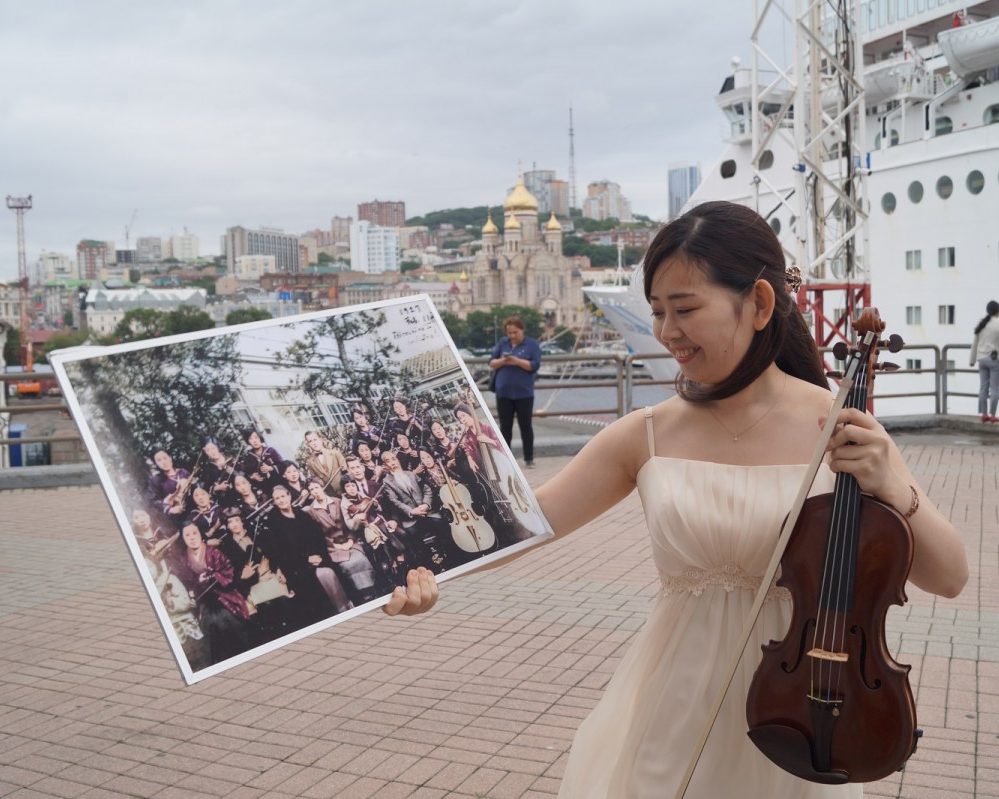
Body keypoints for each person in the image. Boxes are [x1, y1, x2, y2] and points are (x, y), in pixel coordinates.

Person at [384, 201, 969, 798]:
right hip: (674, 705)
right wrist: (418, 571)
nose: (667, 333)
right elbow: (523, 522)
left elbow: (948, 577)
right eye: (658, 311)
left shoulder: (840, 425)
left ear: (761, 303)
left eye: (685, 309)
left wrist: (894, 487)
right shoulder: (648, 432)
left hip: (807, 708)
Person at [489, 315, 542, 467]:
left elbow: (534, 365)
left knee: (525, 426)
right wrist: (504, 360)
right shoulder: (503, 343)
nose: (512, 336)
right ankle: (506, 459)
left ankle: (529, 458)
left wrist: (517, 361)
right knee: (505, 427)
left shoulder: (531, 345)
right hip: (503, 392)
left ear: (522, 330)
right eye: (509, 333)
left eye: (515, 332)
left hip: (524, 393)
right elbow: (492, 362)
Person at [969, 300, 999, 423]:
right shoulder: (998, 324)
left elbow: (974, 344)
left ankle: (984, 414)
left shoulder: (981, 324)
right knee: (995, 389)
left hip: (981, 360)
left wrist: (972, 360)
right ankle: (992, 415)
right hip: (994, 360)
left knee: (983, 388)